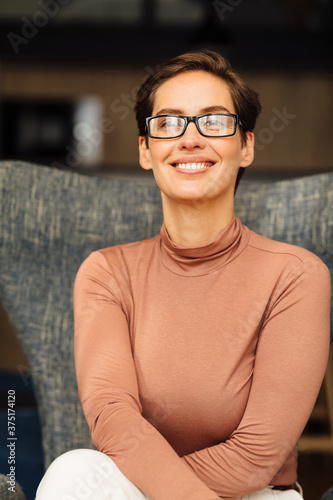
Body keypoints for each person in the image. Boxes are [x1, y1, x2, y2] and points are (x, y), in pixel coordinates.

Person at [35, 50, 331, 500]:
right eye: (169, 123)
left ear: (246, 145)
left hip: (254, 495)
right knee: (72, 472)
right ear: (145, 150)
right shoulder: (106, 272)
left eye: (213, 121)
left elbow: (258, 454)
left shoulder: (296, 275)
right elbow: (113, 419)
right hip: (134, 490)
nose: (189, 139)